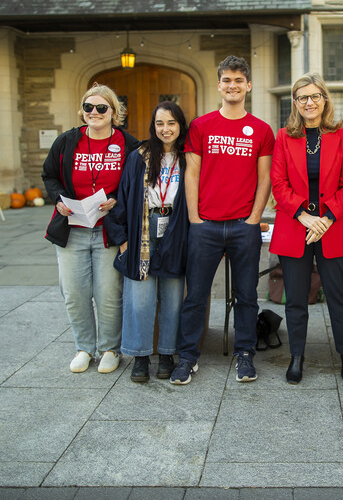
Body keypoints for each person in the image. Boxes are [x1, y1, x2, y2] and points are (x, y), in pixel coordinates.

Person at [170, 55, 275, 385]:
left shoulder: (261, 130)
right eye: (227, 80)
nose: (232, 86)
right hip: (206, 226)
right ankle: (188, 356)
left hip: (244, 225)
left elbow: (265, 178)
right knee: (196, 296)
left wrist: (254, 218)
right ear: (219, 85)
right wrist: (195, 219)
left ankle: (244, 353)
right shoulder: (202, 125)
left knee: (247, 295)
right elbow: (192, 173)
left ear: (248, 85)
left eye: (238, 80)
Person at [42, 83, 138, 374]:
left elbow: (135, 183)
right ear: (82, 110)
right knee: (74, 292)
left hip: (109, 230)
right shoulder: (66, 141)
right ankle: (84, 347)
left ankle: (110, 348)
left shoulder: (128, 144)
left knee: (109, 293)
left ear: (113, 111)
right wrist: (58, 199)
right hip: (72, 228)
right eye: (88, 107)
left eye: (101, 108)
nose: (93, 113)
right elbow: (50, 176)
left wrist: (116, 200)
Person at [270, 73, 343, 384]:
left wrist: (326, 219)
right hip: (296, 227)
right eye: (302, 97)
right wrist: (305, 217)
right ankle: (296, 356)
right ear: (295, 103)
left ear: (324, 100)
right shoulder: (284, 137)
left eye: (315, 96)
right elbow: (278, 185)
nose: (309, 102)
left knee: (338, 295)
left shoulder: (342, 137)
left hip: (332, 227)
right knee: (295, 297)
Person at [104, 101, 188, 383]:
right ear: (153, 126)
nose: (166, 129)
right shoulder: (138, 156)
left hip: (175, 229)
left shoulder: (189, 156)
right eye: (160, 124)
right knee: (139, 298)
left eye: (171, 123)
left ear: (180, 125)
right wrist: (123, 240)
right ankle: (140, 356)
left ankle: (166, 353)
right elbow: (124, 197)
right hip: (144, 228)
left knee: (173, 297)